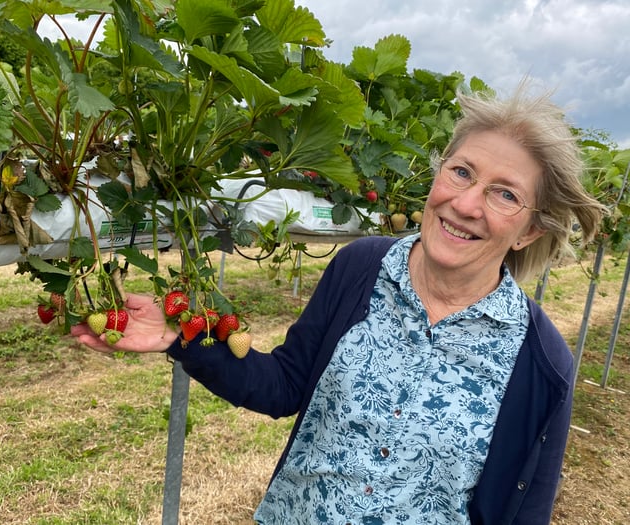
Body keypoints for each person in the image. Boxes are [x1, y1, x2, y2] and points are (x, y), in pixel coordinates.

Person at [71, 83, 607, 524]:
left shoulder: (542, 363)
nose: (466, 204)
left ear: (530, 231)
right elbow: (284, 385)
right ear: (439, 173)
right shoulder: (361, 268)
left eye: (505, 193)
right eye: (462, 172)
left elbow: (524, 514)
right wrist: (185, 339)